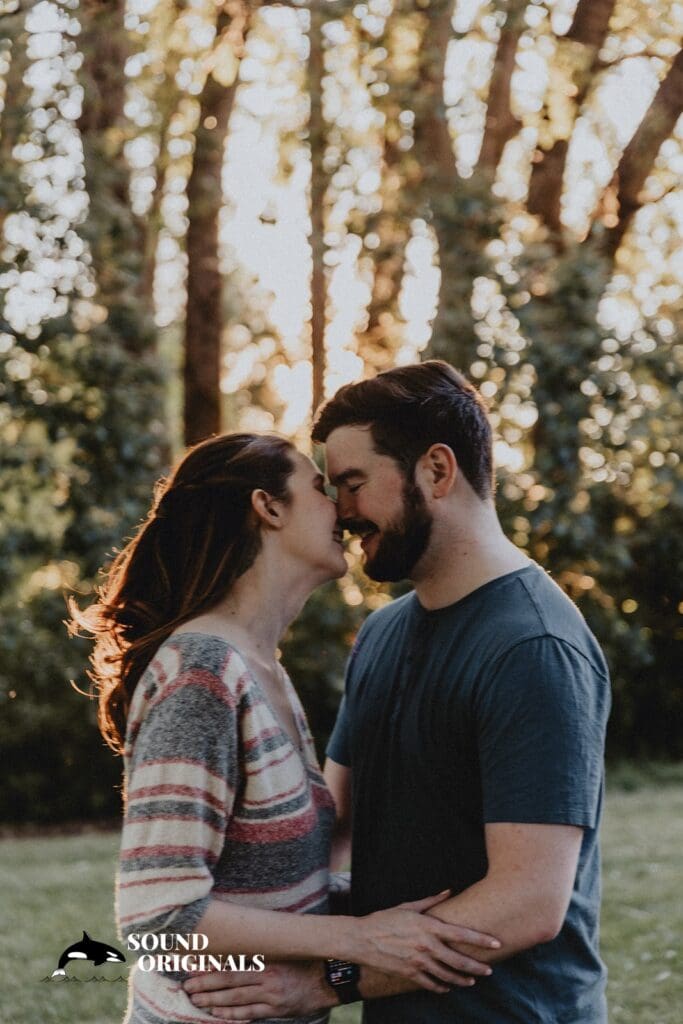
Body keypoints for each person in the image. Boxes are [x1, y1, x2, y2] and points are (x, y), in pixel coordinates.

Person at [184, 362, 611, 1023]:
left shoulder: (533, 647)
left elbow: (528, 899)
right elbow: (330, 829)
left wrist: (327, 981)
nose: (340, 511)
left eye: (352, 483)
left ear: (436, 471)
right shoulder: (382, 634)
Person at [70, 431, 499, 1024]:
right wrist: (357, 940)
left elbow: (272, 884)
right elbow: (157, 920)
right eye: (323, 488)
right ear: (267, 507)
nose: (346, 512)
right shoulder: (202, 673)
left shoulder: (260, 667)